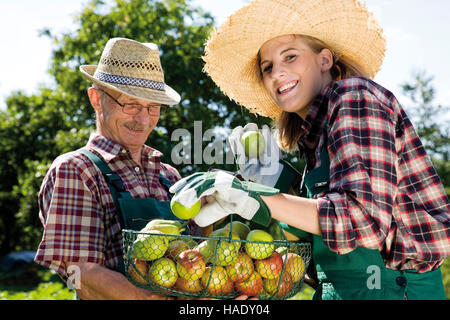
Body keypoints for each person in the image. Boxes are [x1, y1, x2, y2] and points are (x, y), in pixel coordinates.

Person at [170, 0, 450, 300]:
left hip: (393, 290)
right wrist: (268, 190)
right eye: (268, 67)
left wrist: (256, 196)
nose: (278, 73)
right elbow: (319, 241)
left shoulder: (355, 97)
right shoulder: (315, 140)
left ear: (325, 60)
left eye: (290, 56)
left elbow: (364, 222)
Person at [34, 38, 184, 300]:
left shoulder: (169, 177)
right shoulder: (77, 170)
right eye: (131, 104)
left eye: (153, 107)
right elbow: (77, 274)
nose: (144, 119)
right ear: (96, 98)